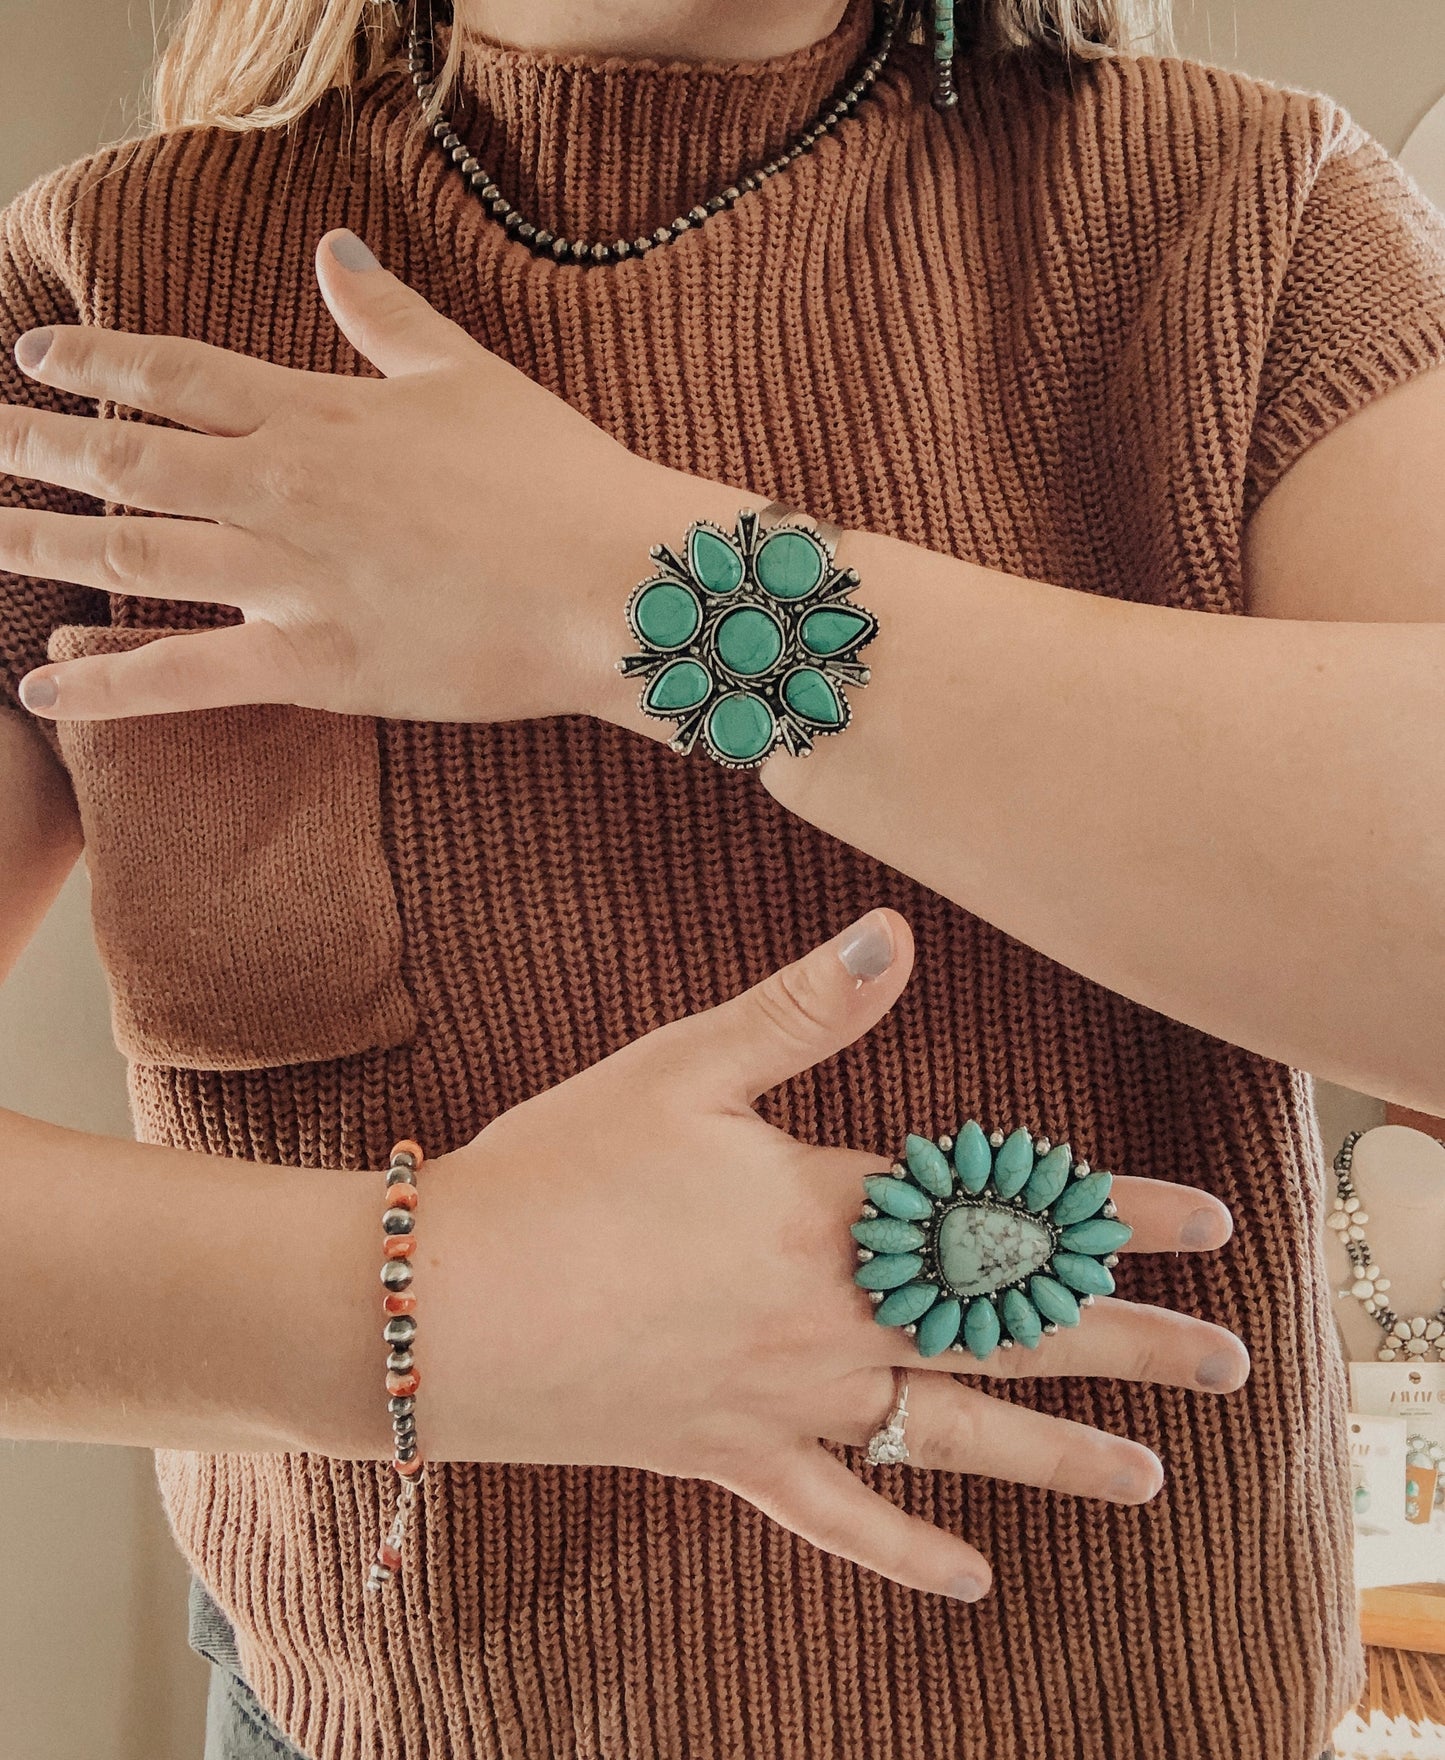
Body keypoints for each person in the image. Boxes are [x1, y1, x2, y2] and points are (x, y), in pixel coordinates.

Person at [2, 0, 1442, 1753]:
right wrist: (442, 1305)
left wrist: (633, 591)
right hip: (356, 1716)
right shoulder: (91, 297)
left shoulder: (1256, 214)